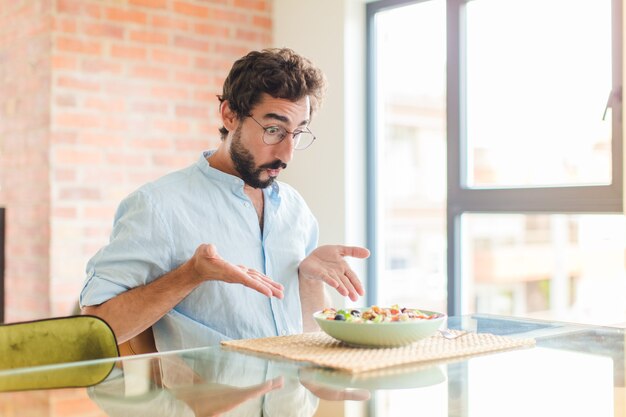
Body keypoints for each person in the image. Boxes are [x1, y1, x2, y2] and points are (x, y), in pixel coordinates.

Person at [79, 48, 370, 352]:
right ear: (230, 115)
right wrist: (191, 275)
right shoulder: (158, 205)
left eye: (297, 133)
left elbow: (310, 336)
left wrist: (309, 279)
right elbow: (95, 330)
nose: (287, 154)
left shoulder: (296, 209)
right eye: (273, 130)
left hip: (291, 397)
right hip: (210, 398)